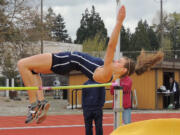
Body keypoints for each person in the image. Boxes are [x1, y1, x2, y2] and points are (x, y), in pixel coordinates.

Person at [17, 5, 164, 124]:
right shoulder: (109, 71)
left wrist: (119, 22)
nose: (116, 60)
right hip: (67, 60)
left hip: (67, 60)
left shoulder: (107, 73)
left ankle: (33, 104)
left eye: (119, 61)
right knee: (33, 70)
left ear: (123, 69)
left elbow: (111, 46)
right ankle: (41, 101)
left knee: (22, 64)